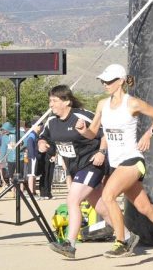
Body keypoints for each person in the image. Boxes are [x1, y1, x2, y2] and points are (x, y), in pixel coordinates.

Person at [77, 64, 153, 260]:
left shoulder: (132, 103)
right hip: (118, 164)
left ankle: (122, 241)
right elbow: (93, 132)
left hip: (133, 160)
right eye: (103, 81)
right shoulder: (102, 104)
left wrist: (148, 134)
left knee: (108, 195)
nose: (105, 84)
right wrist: (82, 130)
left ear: (121, 81)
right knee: (145, 208)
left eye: (109, 81)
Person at [38, 85, 118, 258]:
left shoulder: (82, 115)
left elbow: (104, 133)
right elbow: (44, 137)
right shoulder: (51, 121)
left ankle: (70, 244)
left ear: (66, 102)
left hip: (92, 164)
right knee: (101, 208)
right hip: (75, 168)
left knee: (72, 199)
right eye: (49, 100)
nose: (50, 104)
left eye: (54, 101)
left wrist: (101, 152)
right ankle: (126, 236)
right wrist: (42, 144)